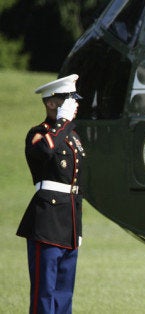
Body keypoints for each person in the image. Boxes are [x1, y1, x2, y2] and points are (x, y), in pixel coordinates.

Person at [17, 74, 86, 314]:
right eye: (67, 99)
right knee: (44, 293)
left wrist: (78, 228)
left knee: (64, 294)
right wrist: (63, 122)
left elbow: (76, 186)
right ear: (51, 103)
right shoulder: (39, 133)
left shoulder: (72, 137)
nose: (73, 104)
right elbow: (44, 152)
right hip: (46, 220)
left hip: (68, 223)